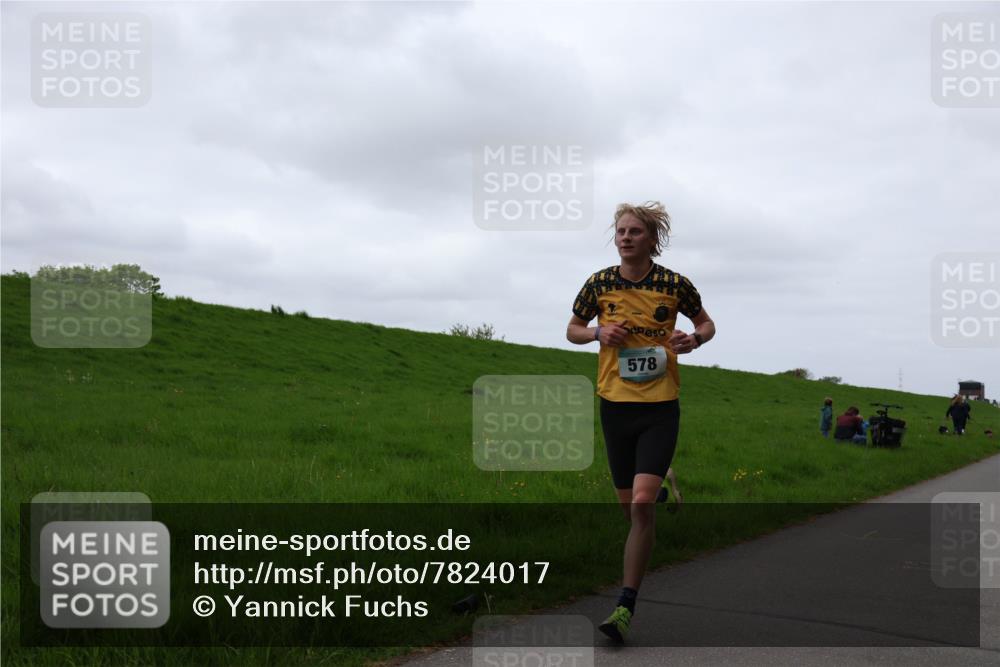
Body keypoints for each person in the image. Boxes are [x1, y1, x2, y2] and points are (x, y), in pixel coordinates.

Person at [566, 201, 715, 643]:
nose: (626, 237)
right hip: (614, 405)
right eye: (621, 231)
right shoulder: (599, 284)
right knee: (629, 508)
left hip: (659, 405)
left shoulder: (674, 284)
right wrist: (597, 332)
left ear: (652, 239)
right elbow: (572, 329)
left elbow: (706, 324)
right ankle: (662, 478)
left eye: (634, 231)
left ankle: (624, 606)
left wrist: (694, 339)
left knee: (642, 505)